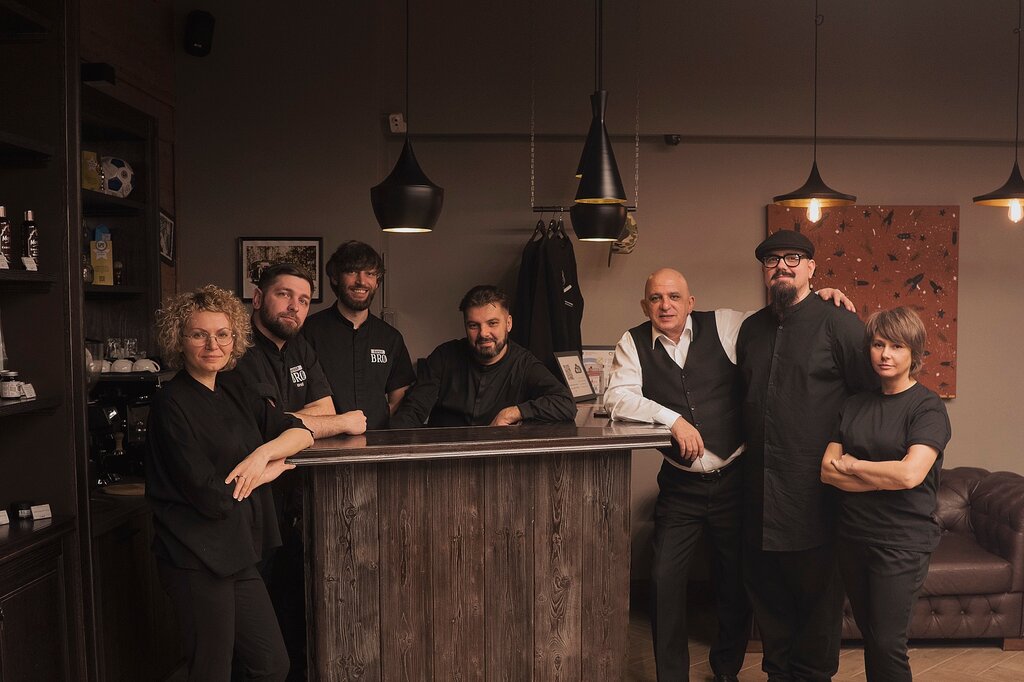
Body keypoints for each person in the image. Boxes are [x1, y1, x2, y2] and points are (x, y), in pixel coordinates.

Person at [605, 267, 854, 682]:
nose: (664, 305)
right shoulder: (632, 343)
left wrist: (817, 293)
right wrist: (673, 421)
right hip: (681, 487)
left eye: (673, 296)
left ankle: (726, 671)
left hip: (736, 482)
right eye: (655, 298)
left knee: (735, 583)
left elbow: (782, 322)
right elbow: (617, 396)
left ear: (691, 301)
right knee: (664, 580)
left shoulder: (727, 324)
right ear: (644, 305)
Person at [145, 285, 314, 681]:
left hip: (236, 553)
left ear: (234, 339)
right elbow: (212, 496)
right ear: (179, 340)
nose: (212, 344)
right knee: (210, 670)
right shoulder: (171, 403)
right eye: (198, 334)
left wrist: (260, 457)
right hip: (193, 557)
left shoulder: (235, 387)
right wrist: (268, 471)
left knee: (271, 664)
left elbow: (299, 432)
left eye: (222, 334)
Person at [736, 229, 878, 682]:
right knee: (770, 602)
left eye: (794, 258)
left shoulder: (840, 323)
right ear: (764, 270)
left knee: (817, 606)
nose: (783, 265)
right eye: (772, 259)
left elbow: (869, 399)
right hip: (758, 493)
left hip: (817, 495)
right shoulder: (751, 328)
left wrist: (847, 458)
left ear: (813, 268)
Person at [233, 263, 365, 681]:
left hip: (296, 497)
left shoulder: (301, 347)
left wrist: (297, 419)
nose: (294, 306)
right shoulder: (238, 351)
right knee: (253, 621)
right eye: (283, 295)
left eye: (304, 300)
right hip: (250, 500)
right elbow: (265, 425)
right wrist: (340, 423)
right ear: (258, 299)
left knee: (294, 607)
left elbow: (319, 408)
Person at [821, 307, 951, 681]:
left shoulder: (927, 407)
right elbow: (828, 471)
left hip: (902, 543)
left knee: (888, 643)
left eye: (897, 346)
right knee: (873, 638)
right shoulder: (854, 404)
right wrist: (881, 476)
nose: (885, 354)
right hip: (853, 536)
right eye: (879, 344)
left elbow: (910, 474)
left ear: (915, 354)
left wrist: (854, 465)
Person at [390, 284, 576, 428]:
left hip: (498, 463)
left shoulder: (524, 364)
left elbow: (565, 403)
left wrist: (514, 412)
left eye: (492, 323)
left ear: (508, 323)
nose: (483, 333)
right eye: (474, 325)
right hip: (445, 460)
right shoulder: (443, 357)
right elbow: (413, 411)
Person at [302, 240, 416, 429]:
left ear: (377, 282)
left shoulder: (390, 338)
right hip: (322, 446)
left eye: (370, 274)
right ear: (335, 278)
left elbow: (400, 397)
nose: (361, 281)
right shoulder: (309, 331)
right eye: (352, 272)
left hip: (376, 447)